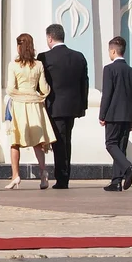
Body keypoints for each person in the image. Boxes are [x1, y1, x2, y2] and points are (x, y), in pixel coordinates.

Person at [37, 24, 89, 189]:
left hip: (54, 106)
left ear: (50, 38)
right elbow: (84, 83)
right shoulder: (78, 56)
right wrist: (83, 105)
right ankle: (65, 175)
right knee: (67, 140)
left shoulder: (44, 57)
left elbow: (41, 82)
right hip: (73, 106)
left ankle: (62, 178)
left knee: (59, 142)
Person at [5, 34, 56, 190]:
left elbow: (10, 89)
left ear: (19, 46)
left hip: (19, 106)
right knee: (38, 142)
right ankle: (43, 173)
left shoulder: (13, 65)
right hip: (35, 105)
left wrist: (22, 95)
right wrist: (37, 96)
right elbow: (45, 88)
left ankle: (15, 175)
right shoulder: (38, 65)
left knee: (15, 141)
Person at [99, 36, 132, 192]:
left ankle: (129, 168)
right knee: (120, 147)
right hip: (128, 114)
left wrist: (102, 114)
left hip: (113, 114)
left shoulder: (109, 69)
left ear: (113, 51)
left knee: (110, 144)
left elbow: (107, 94)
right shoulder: (131, 71)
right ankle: (116, 181)